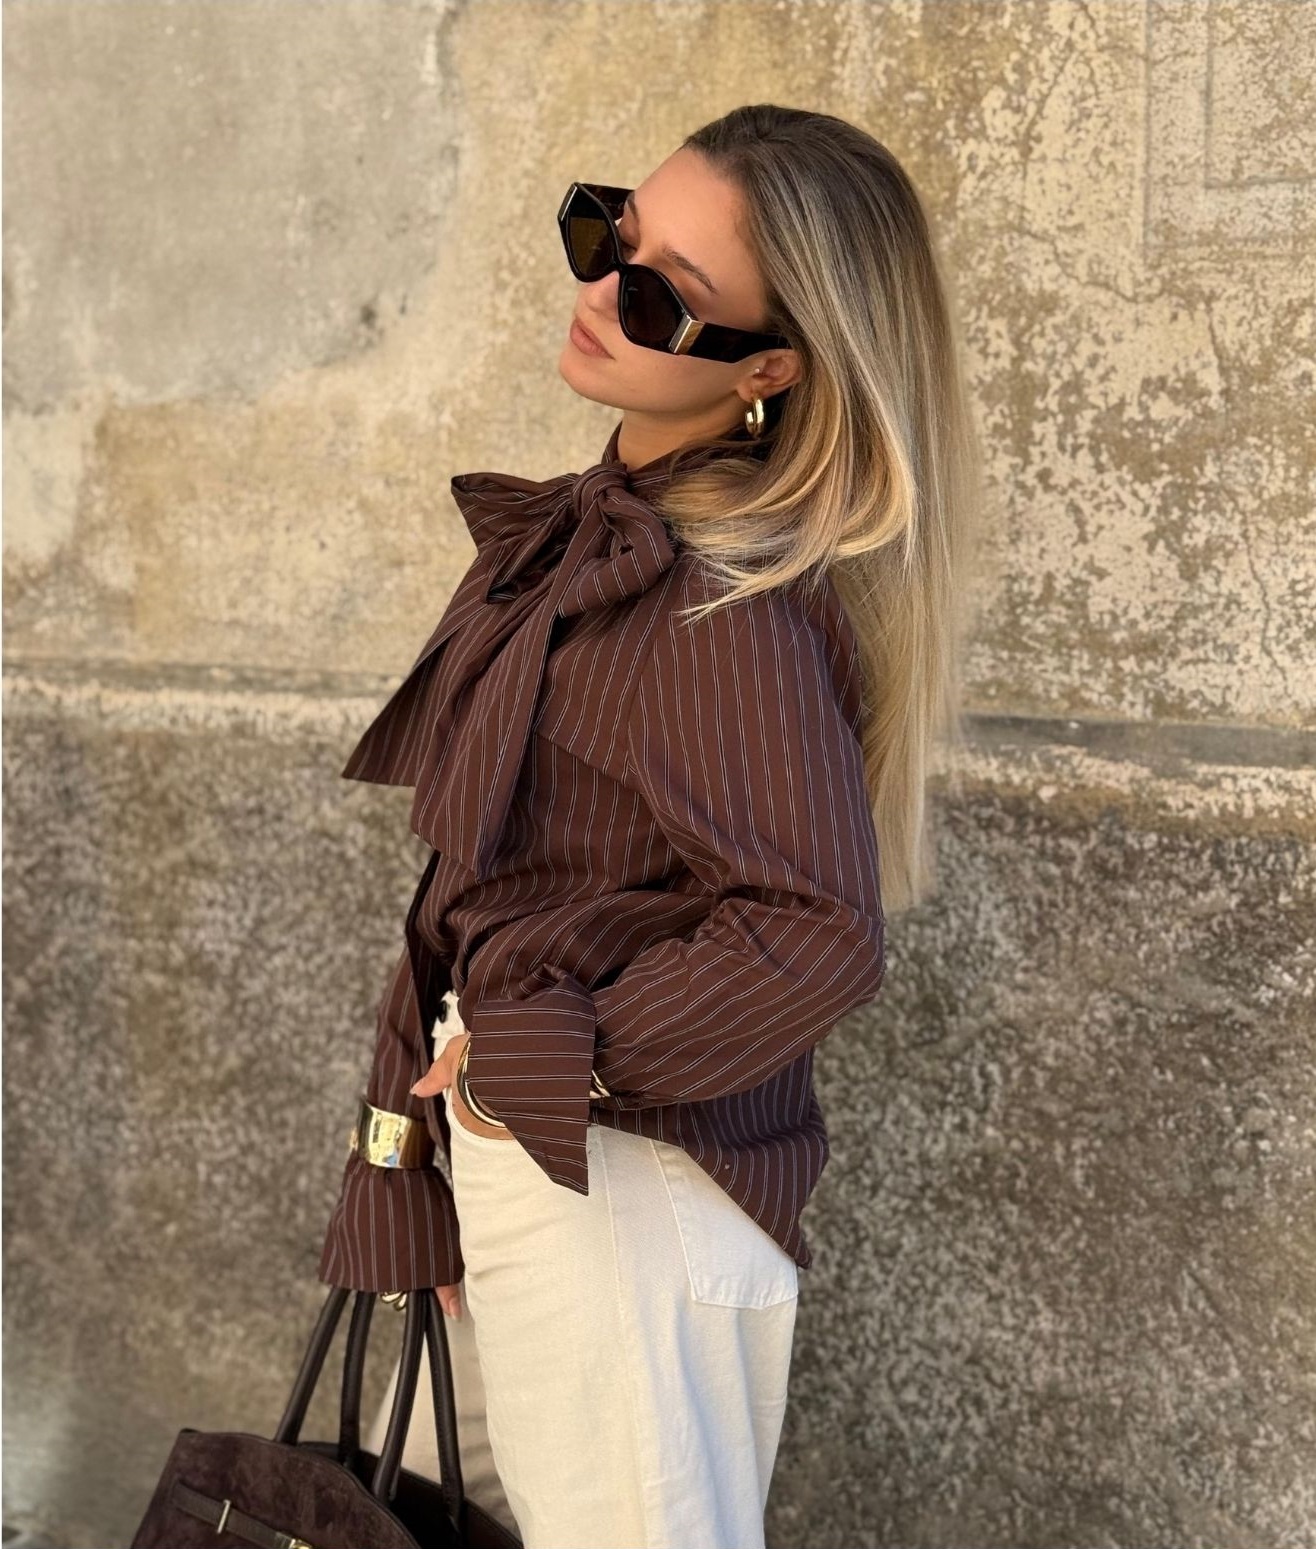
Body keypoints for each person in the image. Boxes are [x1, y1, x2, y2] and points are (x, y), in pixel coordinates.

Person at [318, 102, 981, 1549]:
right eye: (607, 231)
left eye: (663, 294)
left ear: (771, 367)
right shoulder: (590, 537)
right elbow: (477, 890)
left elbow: (816, 933)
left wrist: (528, 1068)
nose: (600, 289)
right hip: (538, 1154)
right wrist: (414, 1165)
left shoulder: (711, 600)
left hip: (618, 1180)